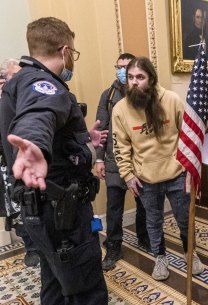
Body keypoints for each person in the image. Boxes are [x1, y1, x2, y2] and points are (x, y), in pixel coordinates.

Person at [0, 17, 108, 304]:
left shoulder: (21, 79)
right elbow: (38, 114)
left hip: (43, 210)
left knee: (55, 283)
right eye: (72, 52)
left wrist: (85, 141)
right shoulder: (42, 83)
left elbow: (52, 127)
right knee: (86, 291)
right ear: (65, 51)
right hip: (63, 214)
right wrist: (33, 144)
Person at [111, 57, 204, 281]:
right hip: (145, 179)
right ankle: (160, 257)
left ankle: (190, 252)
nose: (134, 82)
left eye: (140, 77)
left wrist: (190, 169)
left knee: (184, 218)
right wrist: (128, 175)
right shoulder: (120, 110)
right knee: (153, 221)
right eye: (130, 77)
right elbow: (120, 147)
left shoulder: (171, 100)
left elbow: (188, 136)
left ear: (151, 79)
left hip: (176, 174)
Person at [95, 53, 150, 271]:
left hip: (141, 160)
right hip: (114, 161)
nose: (122, 71)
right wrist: (98, 159)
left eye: (126, 67)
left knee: (144, 205)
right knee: (114, 208)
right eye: (118, 67)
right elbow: (100, 129)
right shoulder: (108, 95)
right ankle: (114, 247)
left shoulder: (145, 94)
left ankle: (144, 238)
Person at [0, 58, 41, 268]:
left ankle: (41, 246)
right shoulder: (4, 102)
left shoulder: (31, 99)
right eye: (14, 77)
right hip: (8, 168)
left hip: (32, 166)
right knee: (18, 212)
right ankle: (31, 248)